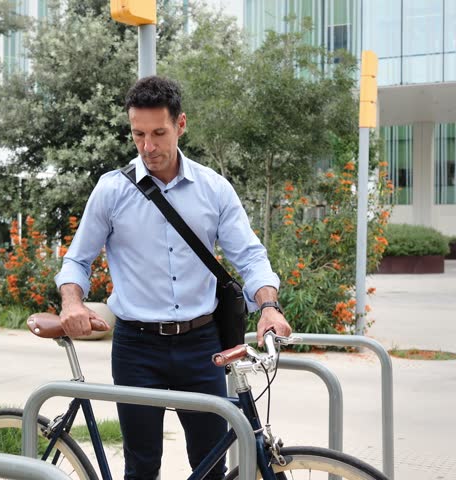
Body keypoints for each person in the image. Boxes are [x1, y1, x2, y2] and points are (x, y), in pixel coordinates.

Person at [54, 75, 291, 480]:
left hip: (202, 346)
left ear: (180, 125)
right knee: (142, 466)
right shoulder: (112, 191)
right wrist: (72, 302)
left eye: (158, 133)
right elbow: (77, 260)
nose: (148, 146)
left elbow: (251, 257)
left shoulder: (213, 189)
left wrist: (268, 306)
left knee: (210, 464)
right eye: (138, 134)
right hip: (136, 347)